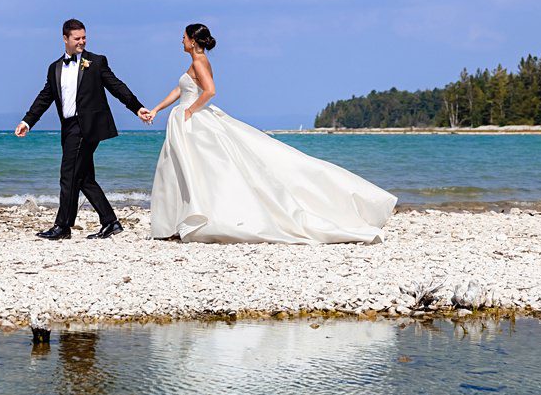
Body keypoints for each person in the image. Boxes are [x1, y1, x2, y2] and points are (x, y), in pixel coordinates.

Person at [147, 23, 397, 244]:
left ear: (192, 40)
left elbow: (210, 91)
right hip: (186, 119)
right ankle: (181, 221)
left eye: (183, 37)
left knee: (199, 170)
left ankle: (196, 220)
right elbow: (180, 90)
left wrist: (190, 111)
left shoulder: (199, 62)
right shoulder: (195, 63)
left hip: (194, 120)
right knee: (183, 170)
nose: (180, 41)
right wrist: (157, 109)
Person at [16, 19, 153, 239]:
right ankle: (110, 222)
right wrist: (27, 121)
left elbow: (116, 86)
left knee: (68, 174)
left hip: (87, 127)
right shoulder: (55, 68)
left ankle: (63, 226)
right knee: (83, 178)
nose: (82, 42)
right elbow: (45, 97)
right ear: (65, 39)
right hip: (68, 127)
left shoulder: (96, 62)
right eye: (77, 38)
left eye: (84, 38)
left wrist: (136, 107)